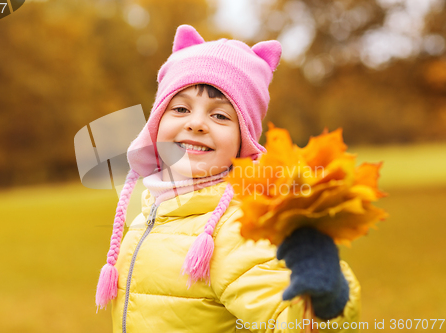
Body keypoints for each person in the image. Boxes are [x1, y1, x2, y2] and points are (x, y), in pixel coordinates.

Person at [95, 24, 361, 332]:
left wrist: (326, 302)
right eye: (180, 108)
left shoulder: (237, 230)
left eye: (220, 115)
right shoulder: (153, 210)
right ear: (156, 123)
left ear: (243, 141)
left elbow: (291, 321)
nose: (196, 123)